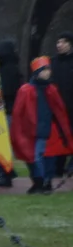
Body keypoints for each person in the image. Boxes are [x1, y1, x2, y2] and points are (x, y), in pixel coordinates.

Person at [12, 57, 73, 194]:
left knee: (47, 156)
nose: (47, 73)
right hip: (32, 130)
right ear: (37, 72)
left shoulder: (51, 89)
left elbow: (59, 110)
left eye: (48, 69)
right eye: (44, 70)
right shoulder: (26, 90)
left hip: (49, 129)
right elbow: (19, 113)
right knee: (34, 156)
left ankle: (44, 181)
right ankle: (40, 181)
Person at [0, 39, 24, 186]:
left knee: (3, 142)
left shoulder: (7, 70)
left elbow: (7, 92)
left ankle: (5, 173)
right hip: (8, 111)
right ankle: (6, 171)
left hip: (6, 111)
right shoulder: (13, 68)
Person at [51, 33, 73, 177]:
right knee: (59, 139)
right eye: (58, 42)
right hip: (57, 108)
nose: (59, 45)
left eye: (63, 42)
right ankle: (58, 168)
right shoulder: (53, 62)